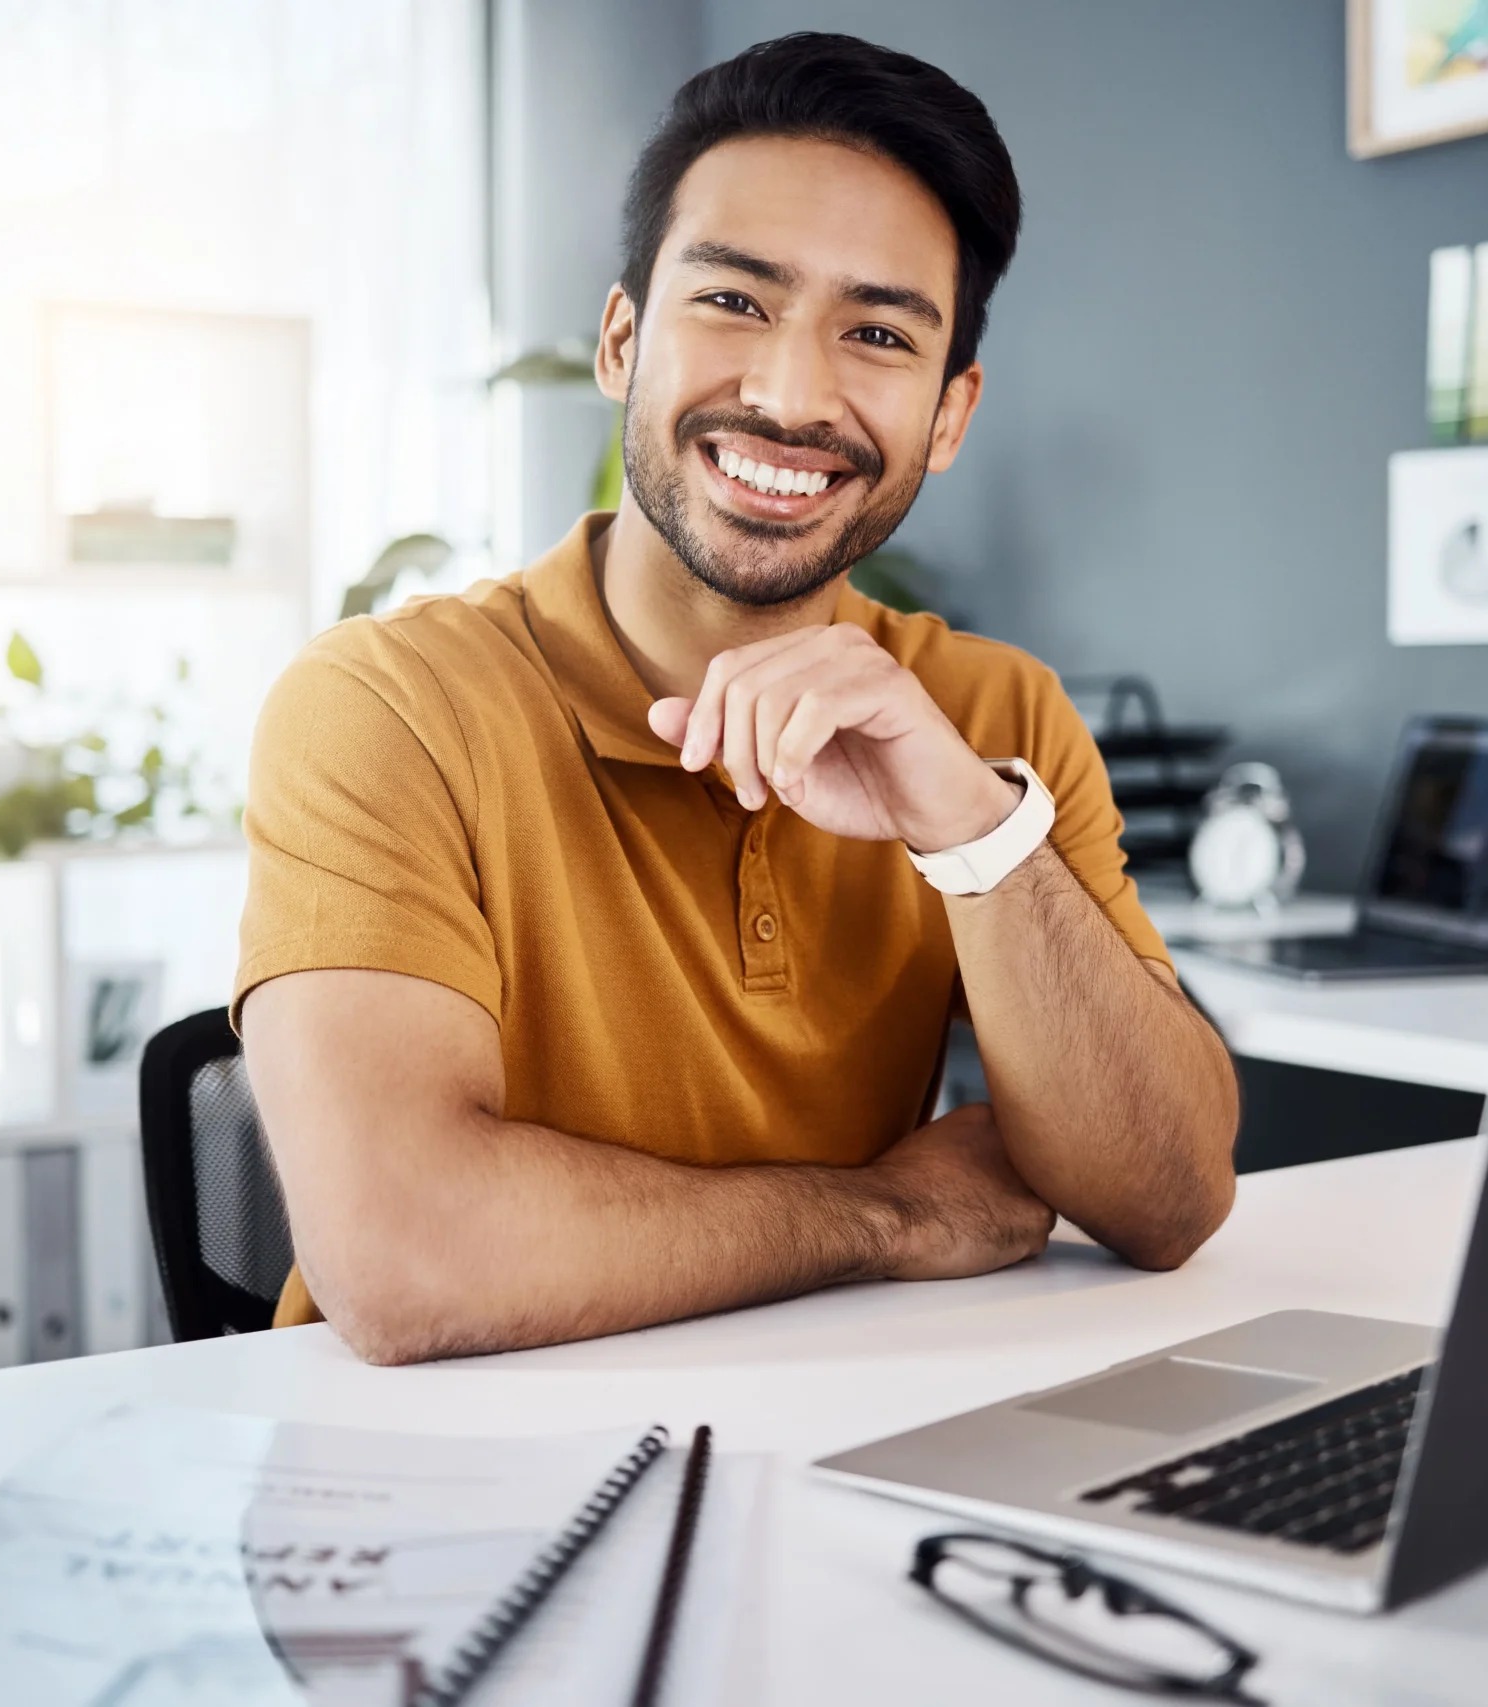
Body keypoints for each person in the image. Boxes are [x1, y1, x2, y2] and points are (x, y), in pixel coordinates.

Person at [236, 32, 1239, 1365]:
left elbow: (1168, 1196)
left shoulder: (990, 713)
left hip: (832, 1459)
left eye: (878, 333)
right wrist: (884, 1210)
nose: (787, 393)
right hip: (441, 1499)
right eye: (734, 301)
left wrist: (974, 831)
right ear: (620, 340)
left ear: (949, 414)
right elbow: (411, 1257)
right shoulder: (385, 703)